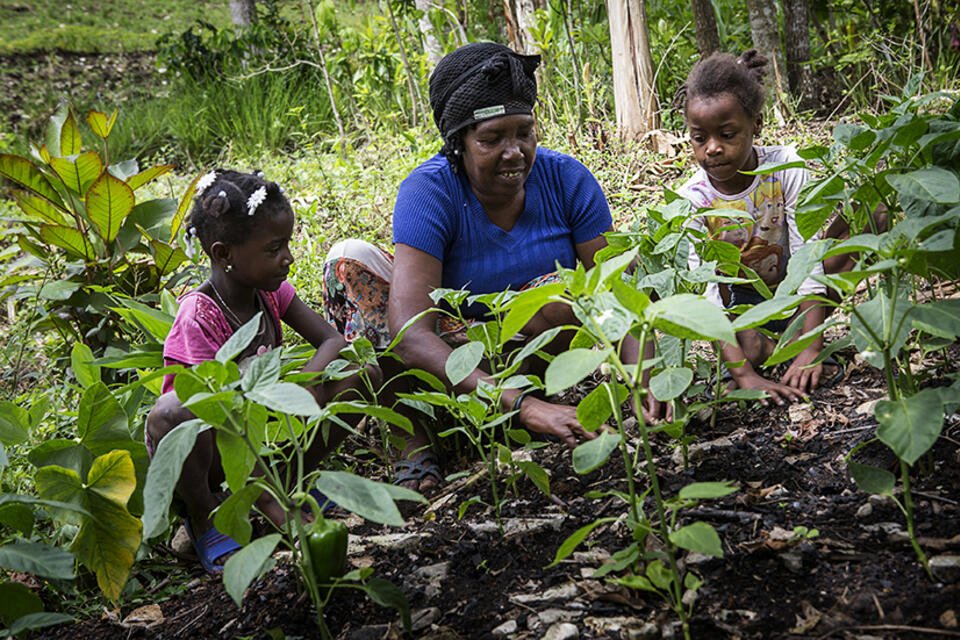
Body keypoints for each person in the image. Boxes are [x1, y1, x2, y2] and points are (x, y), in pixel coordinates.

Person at [324, 42, 656, 493]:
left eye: (524, 132)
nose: (514, 152)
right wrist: (521, 406)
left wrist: (644, 381)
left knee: (568, 290)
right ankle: (414, 446)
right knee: (350, 260)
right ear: (458, 144)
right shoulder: (430, 192)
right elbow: (409, 331)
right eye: (491, 138)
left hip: (529, 353)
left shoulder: (567, 180)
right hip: (442, 364)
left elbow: (619, 292)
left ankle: (531, 409)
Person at [147, 170, 373, 572]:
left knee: (359, 368)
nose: (288, 257)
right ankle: (205, 517)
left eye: (287, 243)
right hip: (212, 446)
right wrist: (273, 509)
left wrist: (309, 389)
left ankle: (285, 482)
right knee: (170, 412)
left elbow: (333, 341)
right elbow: (218, 415)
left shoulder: (270, 291)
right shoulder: (198, 316)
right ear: (224, 254)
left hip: (262, 431)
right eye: (274, 248)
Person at [676, 50, 838, 406]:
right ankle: (765, 349)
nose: (712, 149)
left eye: (728, 134)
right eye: (699, 138)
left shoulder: (786, 169)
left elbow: (808, 258)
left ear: (757, 126)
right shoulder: (692, 199)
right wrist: (745, 376)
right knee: (747, 348)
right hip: (742, 309)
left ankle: (801, 342)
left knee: (856, 233)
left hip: (795, 293)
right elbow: (708, 297)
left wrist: (812, 347)